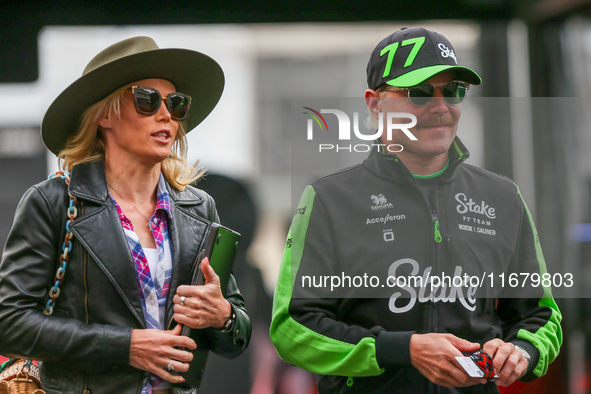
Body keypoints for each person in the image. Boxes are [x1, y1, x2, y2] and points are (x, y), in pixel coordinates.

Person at [270, 27, 562, 393]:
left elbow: (540, 315)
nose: (440, 107)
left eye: (453, 91)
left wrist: (522, 350)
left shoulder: (502, 196)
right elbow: (292, 328)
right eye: (420, 92)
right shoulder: (329, 199)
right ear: (375, 104)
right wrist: (402, 350)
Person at [0, 36, 251, 394]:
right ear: (105, 114)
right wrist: (126, 346)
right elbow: (8, 323)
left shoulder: (199, 207)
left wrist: (223, 316)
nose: (166, 114)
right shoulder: (52, 201)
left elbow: (236, 337)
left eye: (175, 104)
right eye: (147, 100)